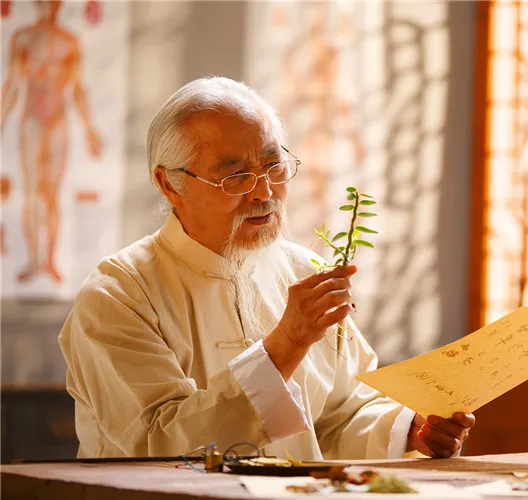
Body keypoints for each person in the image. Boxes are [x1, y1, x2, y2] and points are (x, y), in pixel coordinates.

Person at [58, 77, 475, 459]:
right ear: (171, 184)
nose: (264, 192)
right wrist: (284, 347)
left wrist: (408, 431)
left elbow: (339, 415)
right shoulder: (119, 294)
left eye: (274, 167)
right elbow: (158, 443)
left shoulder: (304, 271)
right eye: (235, 176)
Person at [1, 0, 103, 283]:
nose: (49, 7)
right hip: (32, 121)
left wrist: (89, 129)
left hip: (58, 122)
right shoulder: (22, 37)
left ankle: (49, 261)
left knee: (52, 193)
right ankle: (34, 260)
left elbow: (78, 87)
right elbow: (12, 84)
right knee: (33, 191)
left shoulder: (69, 41)